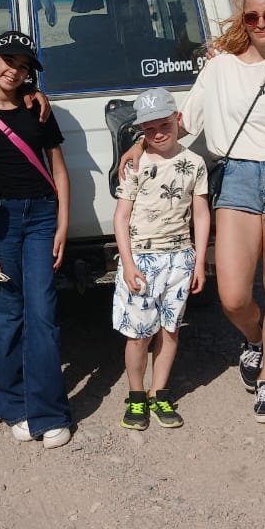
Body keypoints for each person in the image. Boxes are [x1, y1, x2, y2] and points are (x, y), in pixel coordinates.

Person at [122, 0, 265, 422]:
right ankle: (255, 339)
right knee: (234, 295)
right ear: (243, 20)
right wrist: (142, 142)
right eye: (252, 17)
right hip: (237, 176)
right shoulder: (219, 68)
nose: (261, 24)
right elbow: (181, 121)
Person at [0, 30, 74, 449]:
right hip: (0, 219)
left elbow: (60, 171)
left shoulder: (38, 111)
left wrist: (63, 224)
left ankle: (49, 411)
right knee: (9, 313)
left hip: (41, 217)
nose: (14, 70)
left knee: (43, 313)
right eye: (8, 61)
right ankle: (12, 404)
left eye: (24, 65)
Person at [112, 86, 210, 431]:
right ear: (142, 131)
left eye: (164, 125)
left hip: (180, 258)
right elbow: (121, 217)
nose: (157, 134)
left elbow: (200, 213)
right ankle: (136, 396)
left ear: (177, 120)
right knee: (138, 335)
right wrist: (126, 263)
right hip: (142, 259)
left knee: (170, 331)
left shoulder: (194, 163)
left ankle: (160, 392)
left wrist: (199, 262)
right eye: (149, 129)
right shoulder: (136, 164)